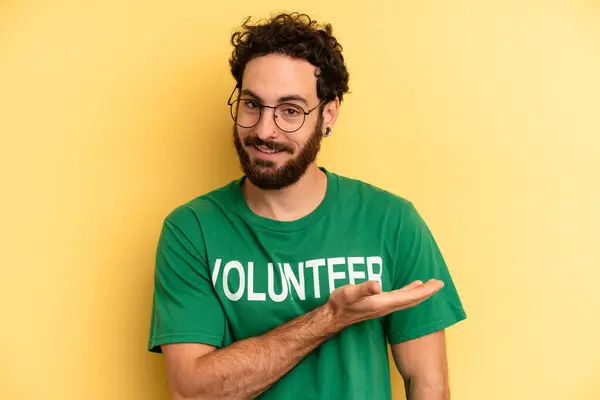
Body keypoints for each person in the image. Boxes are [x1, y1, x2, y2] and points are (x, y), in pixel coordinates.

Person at [147, 12, 466, 400]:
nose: (265, 130)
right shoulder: (191, 230)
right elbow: (193, 393)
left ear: (327, 115)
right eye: (252, 105)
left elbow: (428, 383)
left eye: (290, 111)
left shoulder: (392, 221)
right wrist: (331, 318)